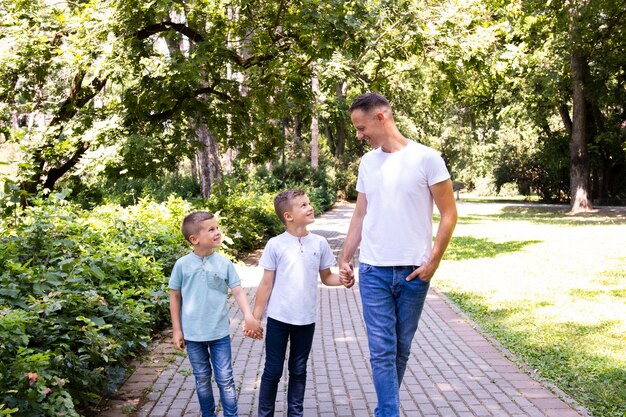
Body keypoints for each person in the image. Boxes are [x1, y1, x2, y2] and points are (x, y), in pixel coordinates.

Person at [339, 92, 458, 417]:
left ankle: (385, 409)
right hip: (374, 271)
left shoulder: (427, 158)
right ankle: (387, 413)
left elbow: (449, 213)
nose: (360, 136)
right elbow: (361, 214)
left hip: (413, 274)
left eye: (362, 128)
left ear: (381, 117)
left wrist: (434, 260)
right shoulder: (368, 163)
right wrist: (345, 257)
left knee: (400, 349)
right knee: (381, 350)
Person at [248, 189, 354, 417]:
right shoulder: (275, 245)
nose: (310, 207)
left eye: (309, 203)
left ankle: (295, 414)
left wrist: (344, 280)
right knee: (273, 371)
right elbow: (266, 284)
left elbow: (327, 278)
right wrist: (255, 318)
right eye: (303, 205)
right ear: (288, 216)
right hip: (278, 318)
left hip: (306, 320)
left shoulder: (320, 243)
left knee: (299, 370)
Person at [169, 211, 262, 417]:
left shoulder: (224, 263)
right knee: (201, 377)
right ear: (194, 239)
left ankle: (231, 415)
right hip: (193, 335)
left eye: (217, 228)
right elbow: (175, 296)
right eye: (211, 229)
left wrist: (249, 316)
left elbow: (237, 290)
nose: (218, 232)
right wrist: (177, 329)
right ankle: (208, 414)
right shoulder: (182, 265)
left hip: (219, 333)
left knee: (225, 379)